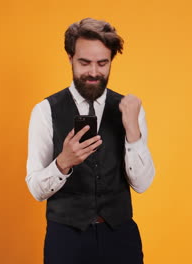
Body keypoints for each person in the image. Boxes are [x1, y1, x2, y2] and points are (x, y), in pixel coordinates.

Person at [26, 17, 155, 264]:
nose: (94, 72)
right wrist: (63, 162)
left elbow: (142, 184)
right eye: (85, 62)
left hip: (120, 237)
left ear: (111, 62)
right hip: (65, 239)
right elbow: (35, 189)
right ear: (70, 58)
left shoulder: (129, 109)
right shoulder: (44, 111)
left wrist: (132, 132)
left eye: (102, 63)